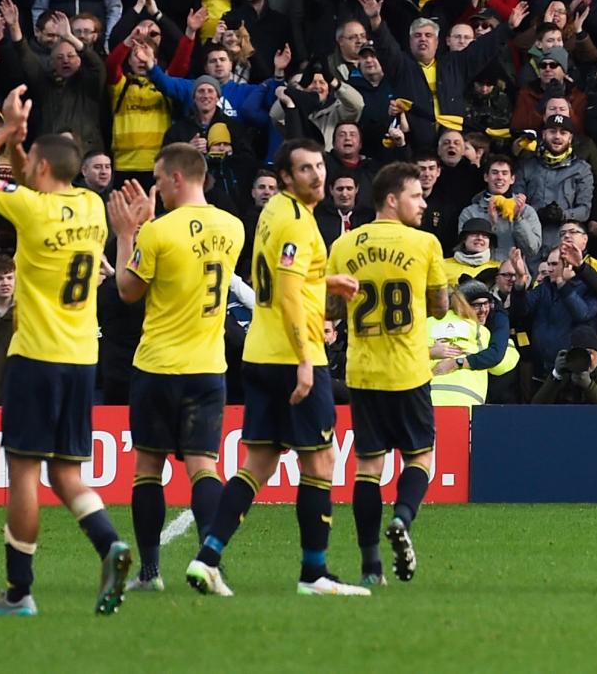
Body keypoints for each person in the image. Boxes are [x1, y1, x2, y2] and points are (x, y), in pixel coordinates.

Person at [0, 87, 129, 618]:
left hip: (35, 356)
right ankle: (109, 544)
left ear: (43, 167)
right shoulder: (92, 206)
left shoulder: (31, 210)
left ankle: (19, 593)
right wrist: (22, 145)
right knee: (67, 472)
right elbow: (28, 178)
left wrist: (6, 131)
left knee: (24, 472)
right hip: (81, 357)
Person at [185, 138, 366, 597]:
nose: (318, 175)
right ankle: (314, 573)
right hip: (292, 356)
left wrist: (326, 280)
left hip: (260, 352)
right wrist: (306, 359)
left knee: (258, 464)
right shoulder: (295, 223)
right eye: (305, 169)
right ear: (285, 177)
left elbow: (287, 277)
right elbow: (286, 293)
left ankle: (207, 558)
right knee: (320, 462)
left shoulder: (276, 212)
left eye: (320, 166)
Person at [107, 145, 244, 593]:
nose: (157, 188)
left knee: (148, 467)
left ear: (178, 179)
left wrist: (128, 232)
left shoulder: (158, 232)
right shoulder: (234, 228)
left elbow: (127, 290)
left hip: (158, 366)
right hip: (208, 366)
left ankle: (149, 573)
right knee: (204, 466)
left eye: (159, 179)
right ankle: (210, 562)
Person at [324, 161, 455, 585]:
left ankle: (370, 567)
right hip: (410, 370)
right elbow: (440, 307)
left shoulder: (344, 245)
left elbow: (331, 309)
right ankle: (402, 517)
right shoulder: (425, 244)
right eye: (416, 196)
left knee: (367, 467)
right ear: (392, 199)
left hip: (363, 373)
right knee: (420, 457)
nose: (423, 202)